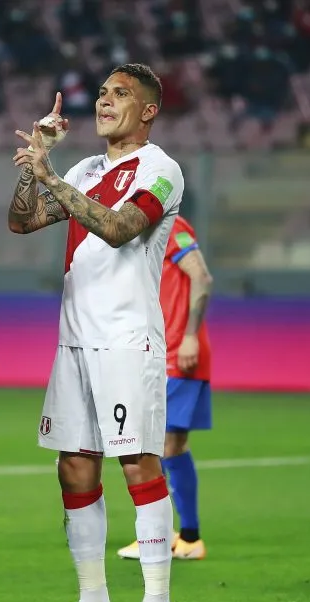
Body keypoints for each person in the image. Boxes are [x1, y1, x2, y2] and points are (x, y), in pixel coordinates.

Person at [7, 63, 185, 602]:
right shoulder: (85, 168)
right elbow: (22, 221)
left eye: (121, 94)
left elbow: (118, 228)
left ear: (149, 111)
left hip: (127, 339)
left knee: (137, 462)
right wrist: (35, 166)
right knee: (74, 465)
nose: (105, 102)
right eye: (103, 93)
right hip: (74, 339)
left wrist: (51, 177)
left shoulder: (161, 171)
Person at [117, 215, 213, 561]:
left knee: (165, 444)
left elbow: (201, 277)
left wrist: (189, 337)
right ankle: (172, 535)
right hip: (154, 352)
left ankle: (183, 536)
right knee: (160, 445)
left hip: (178, 353)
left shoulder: (174, 227)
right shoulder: (140, 232)